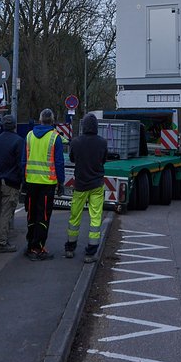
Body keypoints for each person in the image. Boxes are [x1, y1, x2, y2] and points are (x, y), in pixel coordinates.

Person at [64, 113, 108, 264]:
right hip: (96, 185)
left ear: (83, 127)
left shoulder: (76, 142)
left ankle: (70, 248)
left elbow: (72, 159)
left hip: (80, 185)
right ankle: (91, 251)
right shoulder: (102, 142)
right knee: (95, 217)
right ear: (96, 127)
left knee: (74, 217)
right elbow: (104, 160)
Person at [22, 108, 65, 260]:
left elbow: (24, 160)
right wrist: (61, 182)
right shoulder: (55, 138)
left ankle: (30, 244)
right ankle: (37, 248)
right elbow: (59, 163)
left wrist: (24, 181)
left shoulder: (29, 136)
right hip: (47, 184)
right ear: (52, 121)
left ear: (40, 120)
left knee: (31, 214)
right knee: (43, 216)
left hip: (31, 182)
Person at [0, 113, 24, 253]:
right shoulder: (18, 141)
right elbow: (20, 164)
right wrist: (22, 181)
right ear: (14, 126)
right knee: (6, 212)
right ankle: (1, 242)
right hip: (10, 182)